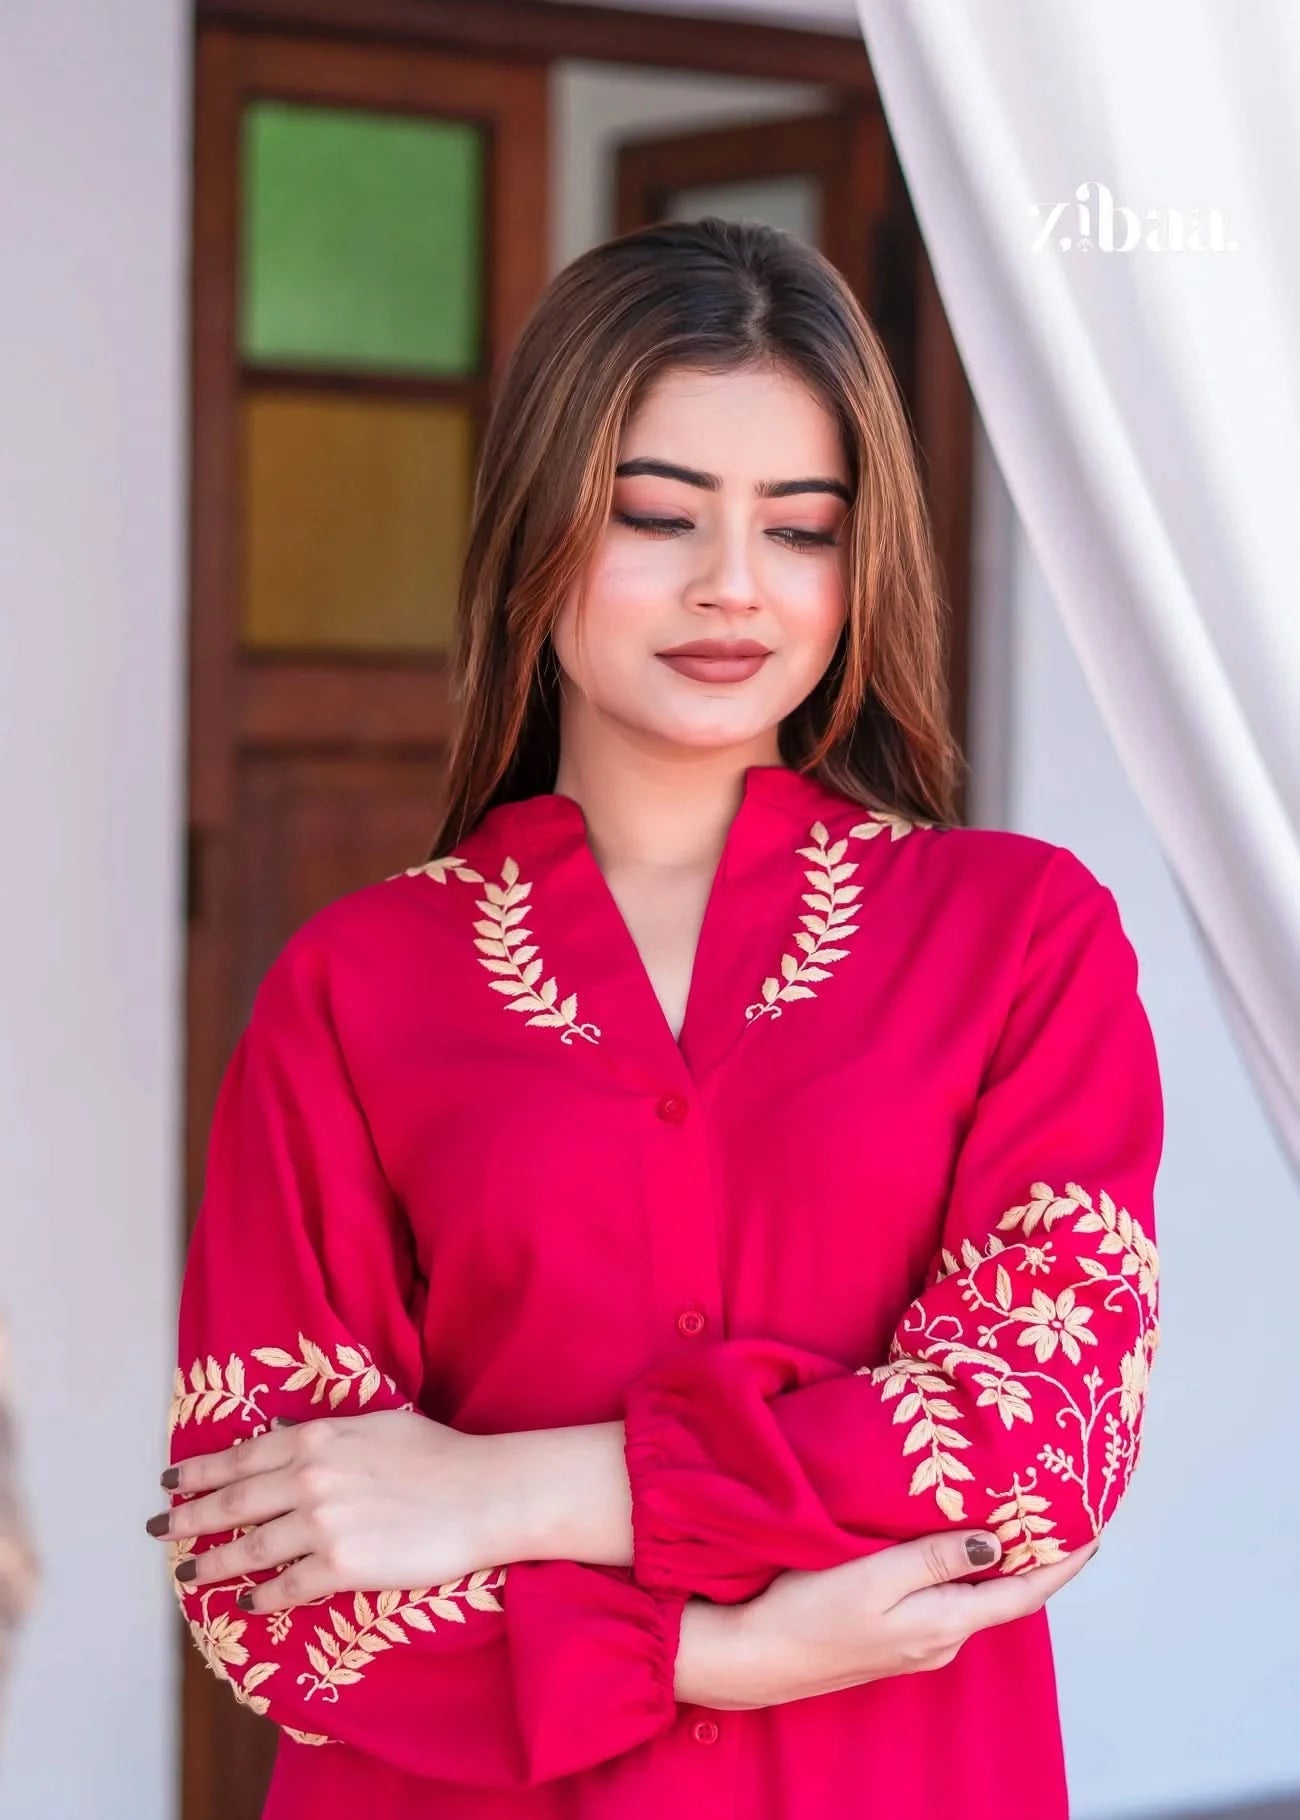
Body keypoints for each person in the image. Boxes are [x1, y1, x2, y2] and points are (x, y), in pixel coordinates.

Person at [148, 217, 1160, 1820]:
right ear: (536, 526)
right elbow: (259, 1575)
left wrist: (505, 1490)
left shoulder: (1019, 939)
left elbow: (1035, 1442)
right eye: (656, 514)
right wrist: (705, 1654)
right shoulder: (353, 987)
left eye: (801, 527)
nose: (732, 585)